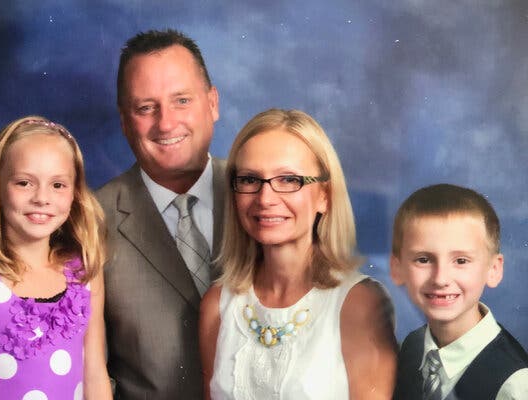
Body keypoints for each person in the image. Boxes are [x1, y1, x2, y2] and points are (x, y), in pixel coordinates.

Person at [199, 108, 398, 399]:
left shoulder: (360, 303)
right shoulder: (217, 305)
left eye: (289, 180)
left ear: (324, 196)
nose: (265, 199)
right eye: (250, 180)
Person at [0, 116, 113, 399]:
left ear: (75, 194)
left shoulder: (85, 272)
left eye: (58, 185)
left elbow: (95, 375)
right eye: (24, 183)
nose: (42, 198)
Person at [96, 29, 224, 399]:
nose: (166, 123)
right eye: (145, 108)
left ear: (212, 103)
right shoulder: (89, 221)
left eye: (181, 100)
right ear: (124, 121)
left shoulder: (265, 195)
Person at [390, 184, 528, 400]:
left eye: (461, 261)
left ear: (493, 269)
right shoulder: (412, 347)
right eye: (424, 260)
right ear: (397, 268)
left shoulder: (514, 385)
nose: (441, 278)